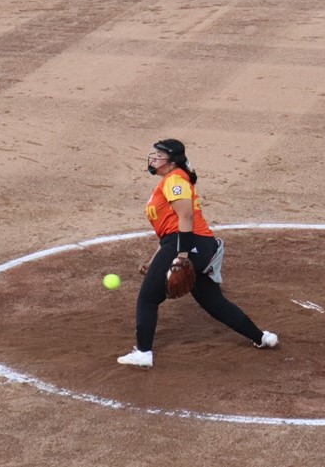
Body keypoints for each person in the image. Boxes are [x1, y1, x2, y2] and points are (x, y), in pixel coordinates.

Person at [117, 139, 278, 368]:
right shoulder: (171, 180)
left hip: (188, 244)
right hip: (190, 244)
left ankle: (143, 353)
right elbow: (171, 231)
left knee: (148, 298)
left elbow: (186, 218)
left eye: (159, 155)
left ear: (172, 161)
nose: (153, 159)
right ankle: (261, 337)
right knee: (214, 302)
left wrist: (181, 255)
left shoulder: (175, 181)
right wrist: (154, 260)